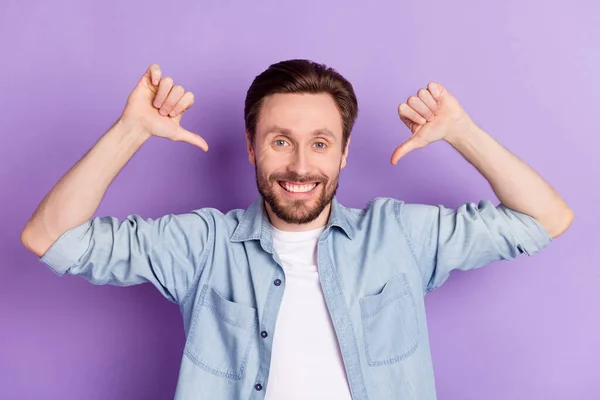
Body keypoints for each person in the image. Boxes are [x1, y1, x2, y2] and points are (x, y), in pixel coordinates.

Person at [21, 60, 573, 400]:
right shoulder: (202, 246)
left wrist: (461, 131)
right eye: (280, 140)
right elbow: (50, 238)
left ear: (344, 153)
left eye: (320, 143)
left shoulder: (400, 236)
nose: (300, 166)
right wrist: (131, 130)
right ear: (251, 147)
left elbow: (545, 218)